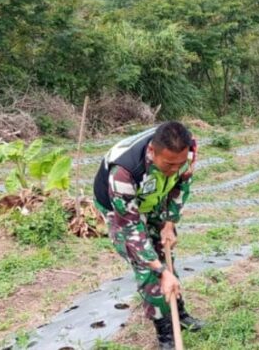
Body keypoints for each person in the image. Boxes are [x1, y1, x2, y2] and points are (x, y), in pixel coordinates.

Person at [93, 121, 204, 350]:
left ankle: (179, 313)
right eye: (169, 164)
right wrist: (159, 270)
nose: (175, 168)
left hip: (153, 195)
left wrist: (169, 223)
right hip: (120, 209)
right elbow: (131, 229)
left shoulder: (186, 151)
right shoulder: (123, 172)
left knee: (164, 249)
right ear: (152, 153)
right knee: (148, 267)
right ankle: (166, 333)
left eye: (179, 163)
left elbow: (182, 184)